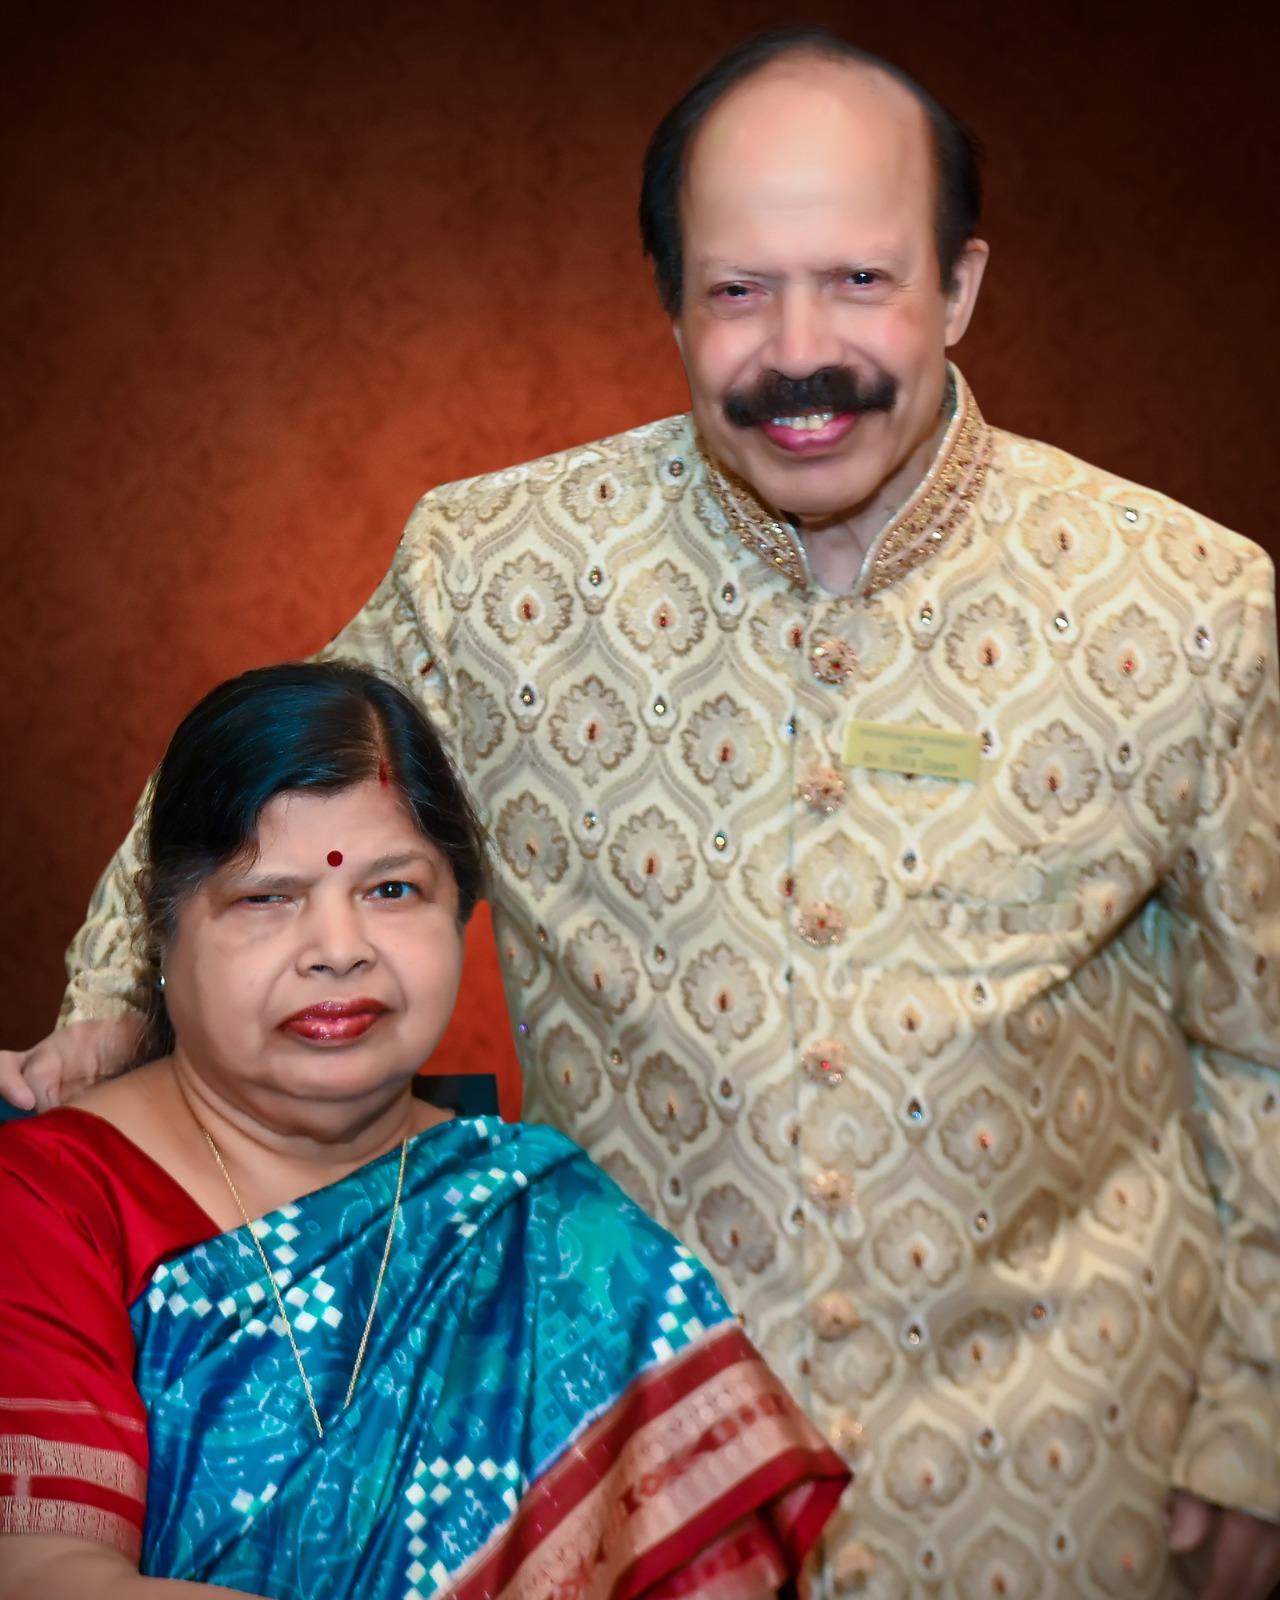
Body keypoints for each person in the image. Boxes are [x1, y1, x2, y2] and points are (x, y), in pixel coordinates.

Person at [4, 23, 1279, 1599]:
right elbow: (238, 803)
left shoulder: (1187, 603)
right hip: (617, 1478)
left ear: (959, 286)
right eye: (738, 291)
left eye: (861, 280)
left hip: (1064, 1470)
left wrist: (1255, 1422)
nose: (799, 351)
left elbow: (1262, 1042)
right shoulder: (499, 578)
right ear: (672, 299)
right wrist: (110, 1013)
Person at [0, 661, 848, 1600]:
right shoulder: (48, 1203)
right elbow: (46, 1576)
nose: (338, 949)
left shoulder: (557, 1230)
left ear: (461, 911)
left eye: (393, 890)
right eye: (266, 897)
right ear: (163, 932)